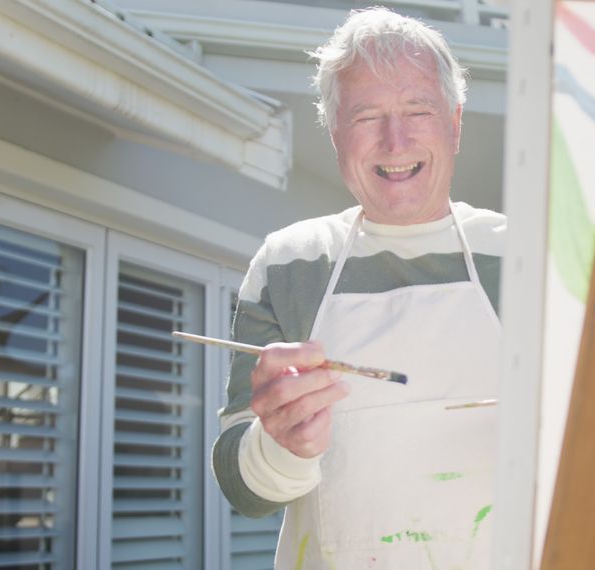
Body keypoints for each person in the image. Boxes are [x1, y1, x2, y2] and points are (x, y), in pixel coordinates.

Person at [212, 7, 505, 568]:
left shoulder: (522, 257)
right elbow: (240, 487)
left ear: (455, 122)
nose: (395, 141)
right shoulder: (289, 262)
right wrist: (280, 445)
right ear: (335, 131)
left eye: (418, 110)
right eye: (368, 116)